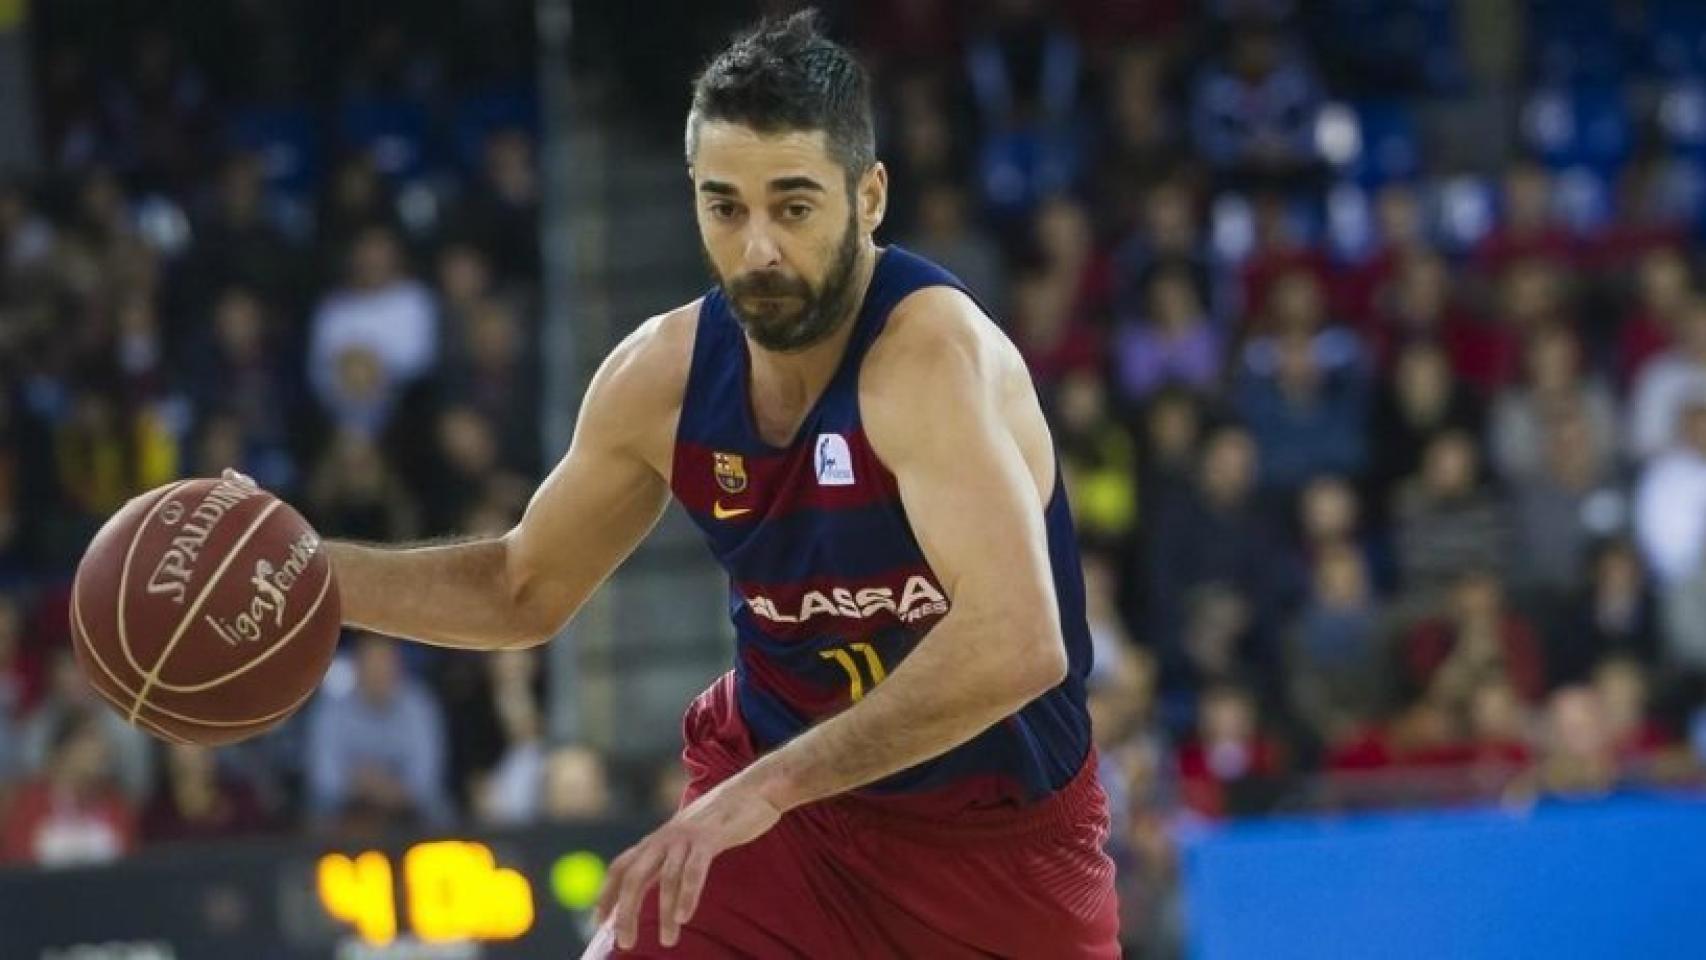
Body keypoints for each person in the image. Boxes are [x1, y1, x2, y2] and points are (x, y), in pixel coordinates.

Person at [255, 12, 1116, 958]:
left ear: (869, 198)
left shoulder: (928, 357)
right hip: (777, 825)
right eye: (725, 206)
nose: (757, 250)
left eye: (794, 207)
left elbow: (1016, 642)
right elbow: (520, 588)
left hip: (995, 846)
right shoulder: (658, 378)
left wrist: (770, 786)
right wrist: (299, 570)